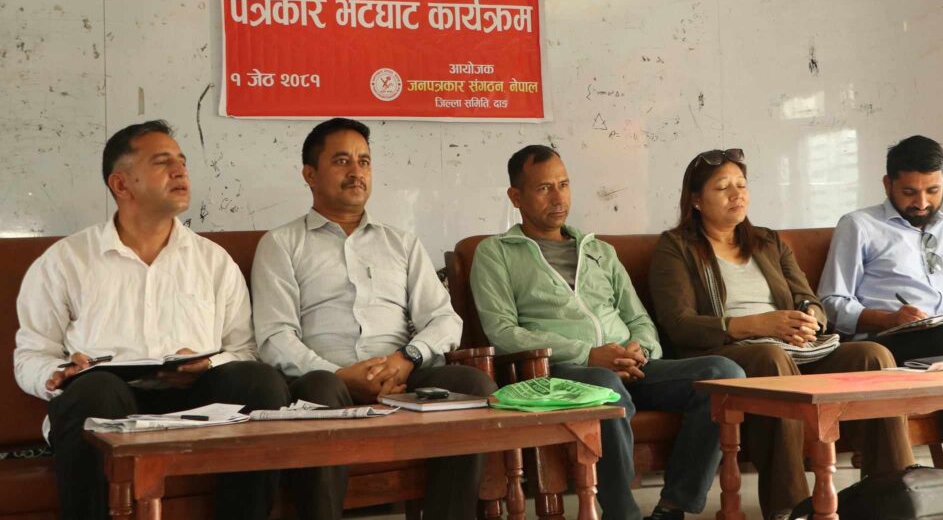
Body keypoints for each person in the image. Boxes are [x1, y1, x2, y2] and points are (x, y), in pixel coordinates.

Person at [13, 120, 290, 520]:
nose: (180, 172)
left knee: (260, 381)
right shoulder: (66, 260)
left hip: (195, 402)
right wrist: (59, 374)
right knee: (95, 390)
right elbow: (30, 355)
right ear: (121, 184)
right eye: (162, 163)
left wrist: (208, 364)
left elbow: (244, 349)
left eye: (182, 162)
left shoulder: (213, 261)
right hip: (109, 403)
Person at [470, 144, 744, 520]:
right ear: (516, 197)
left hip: (629, 365)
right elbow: (502, 332)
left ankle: (674, 505)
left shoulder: (599, 249)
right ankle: (623, 512)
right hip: (560, 372)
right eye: (544, 188)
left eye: (564, 184)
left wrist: (640, 350)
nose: (558, 198)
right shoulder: (495, 253)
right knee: (604, 383)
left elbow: (638, 317)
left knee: (724, 374)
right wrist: (589, 355)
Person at [647, 147, 915, 520]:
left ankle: (896, 495)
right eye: (722, 187)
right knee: (771, 358)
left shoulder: (768, 241)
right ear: (695, 200)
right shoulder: (676, 248)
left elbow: (810, 299)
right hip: (737, 352)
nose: (737, 194)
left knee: (874, 356)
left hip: (797, 348)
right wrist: (757, 325)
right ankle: (790, 507)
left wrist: (809, 318)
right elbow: (679, 324)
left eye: (741, 185)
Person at [251, 117, 497, 520]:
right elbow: (275, 336)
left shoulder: (402, 243)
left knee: (473, 386)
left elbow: (444, 319)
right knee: (321, 390)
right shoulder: (281, 244)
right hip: (323, 378)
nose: (356, 172)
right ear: (310, 174)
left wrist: (407, 358)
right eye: (341, 161)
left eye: (364, 161)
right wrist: (340, 374)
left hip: (403, 375)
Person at [819, 135, 943, 498]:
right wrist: (887, 318)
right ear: (888, 184)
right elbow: (832, 302)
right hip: (892, 342)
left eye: (933, 190)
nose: (922, 202)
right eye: (910, 192)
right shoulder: (859, 225)